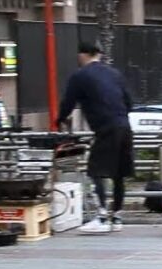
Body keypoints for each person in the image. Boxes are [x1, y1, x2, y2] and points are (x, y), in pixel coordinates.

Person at [57, 41, 134, 233]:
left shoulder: (80, 76)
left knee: (95, 169)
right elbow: (130, 101)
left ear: (82, 55)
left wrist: (59, 119)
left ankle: (101, 216)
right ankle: (116, 216)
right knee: (119, 173)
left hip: (105, 127)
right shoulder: (115, 74)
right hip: (124, 125)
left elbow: (68, 103)